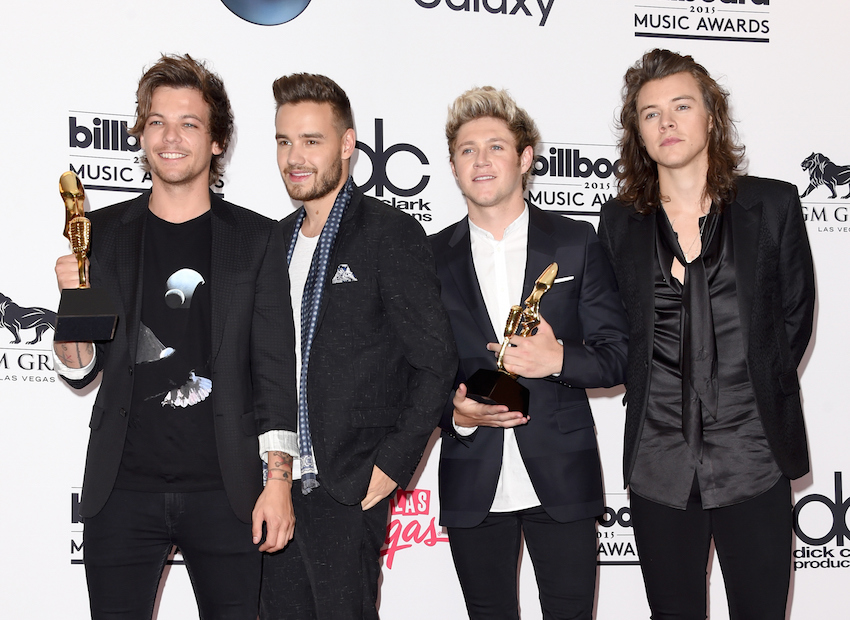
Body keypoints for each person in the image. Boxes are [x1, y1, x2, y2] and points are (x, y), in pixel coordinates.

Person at [53, 54, 297, 620]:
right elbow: (80, 367)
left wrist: (279, 480)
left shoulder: (257, 239)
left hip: (228, 491)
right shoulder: (103, 233)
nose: (171, 137)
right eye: (157, 121)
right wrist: (72, 307)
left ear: (216, 142)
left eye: (189, 123)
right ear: (141, 134)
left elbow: (273, 370)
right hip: (121, 492)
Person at [598, 49, 816, 620]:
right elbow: (617, 330)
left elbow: (793, 319)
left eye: (681, 106)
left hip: (754, 452)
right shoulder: (619, 221)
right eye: (650, 113)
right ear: (637, 133)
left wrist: (750, 385)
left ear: (711, 117)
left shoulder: (773, 204)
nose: (666, 122)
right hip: (658, 459)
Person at [260, 73, 457, 620]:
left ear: (347, 144)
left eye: (311, 141)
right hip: (274, 486)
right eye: (283, 141)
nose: (294, 157)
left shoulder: (388, 233)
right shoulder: (272, 242)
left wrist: (392, 465)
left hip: (347, 485)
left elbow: (436, 360)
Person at [430, 86, 629, 619]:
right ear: (453, 166)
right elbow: (415, 371)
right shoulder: (429, 256)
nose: (481, 160)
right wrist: (455, 413)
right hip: (472, 473)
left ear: (524, 158)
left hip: (563, 474)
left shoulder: (575, 242)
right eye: (468, 149)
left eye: (496, 146)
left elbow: (617, 355)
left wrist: (557, 359)